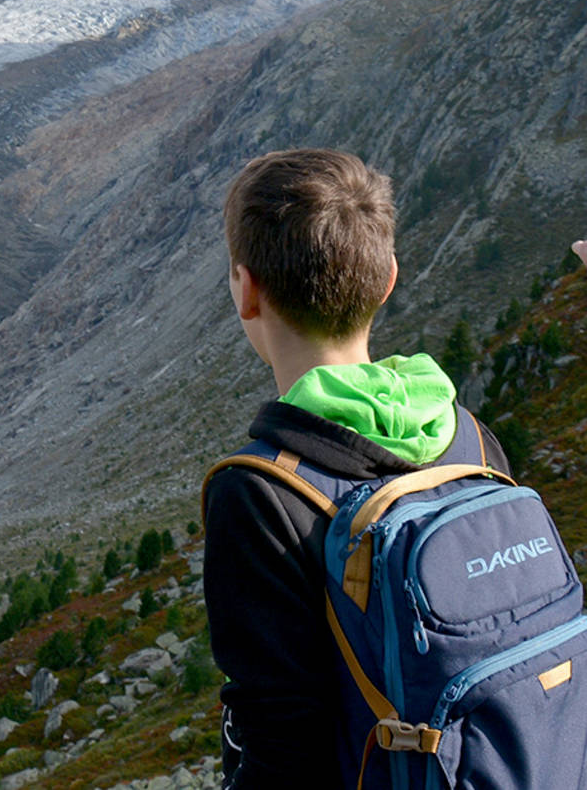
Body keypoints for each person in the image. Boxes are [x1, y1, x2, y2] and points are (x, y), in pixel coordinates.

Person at [202, 148, 510, 787]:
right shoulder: (469, 438)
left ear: (245, 288)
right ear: (389, 276)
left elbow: (282, 748)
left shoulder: (260, 492)